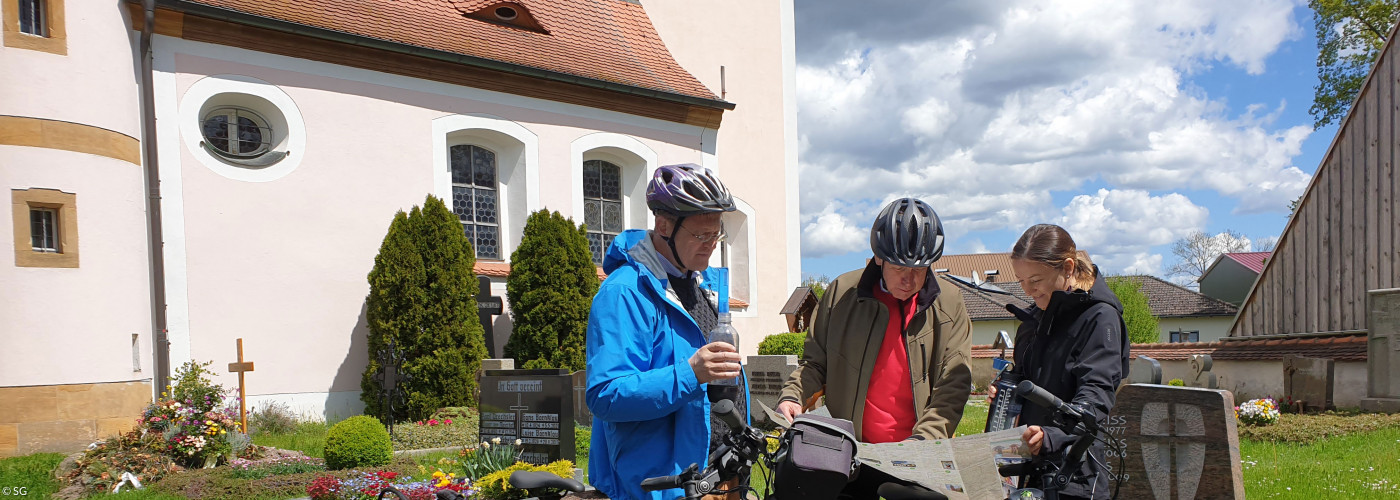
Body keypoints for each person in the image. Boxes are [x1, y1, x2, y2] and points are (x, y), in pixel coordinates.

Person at [776, 197, 972, 498]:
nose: (909, 280)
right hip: (851, 453)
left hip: (917, 455)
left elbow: (954, 384)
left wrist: (924, 441)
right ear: (878, 258)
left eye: (920, 270)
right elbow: (815, 363)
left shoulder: (949, 302)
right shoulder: (842, 293)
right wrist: (792, 396)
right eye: (898, 268)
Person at [585, 163, 750, 500]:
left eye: (716, 234)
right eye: (700, 235)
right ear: (663, 225)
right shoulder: (625, 292)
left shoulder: (702, 286)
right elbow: (606, 395)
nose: (710, 245)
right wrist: (690, 374)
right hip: (663, 484)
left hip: (718, 474)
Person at [997, 224, 1131, 500]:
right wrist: (1005, 393)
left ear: (1068, 268)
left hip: (1075, 477)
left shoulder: (1099, 317)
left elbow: (1096, 394)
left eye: (1036, 280)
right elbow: (1027, 380)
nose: (1028, 290)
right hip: (1031, 468)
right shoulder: (1034, 318)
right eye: (1021, 280)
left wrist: (1052, 435)